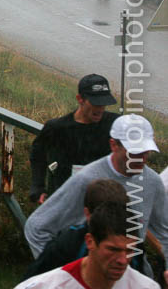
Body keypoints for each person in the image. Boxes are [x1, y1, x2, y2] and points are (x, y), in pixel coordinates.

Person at [24, 115, 168, 269]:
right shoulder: (86, 179)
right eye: (134, 152)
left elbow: (165, 233)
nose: (141, 158)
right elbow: (36, 228)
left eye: (145, 152)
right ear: (113, 145)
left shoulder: (152, 182)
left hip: (135, 276)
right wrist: (64, 275)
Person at [16, 202, 160, 289]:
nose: (122, 260)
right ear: (90, 241)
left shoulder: (146, 287)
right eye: (113, 249)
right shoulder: (46, 286)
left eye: (129, 251)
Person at [30, 74, 120, 204]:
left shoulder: (115, 124)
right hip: (63, 200)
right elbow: (37, 155)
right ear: (80, 99)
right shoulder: (56, 127)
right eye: (95, 103)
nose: (100, 109)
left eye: (104, 103)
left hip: (101, 203)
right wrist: (38, 187)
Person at [23, 180, 130, 280]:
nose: (122, 259)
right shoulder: (68, 244)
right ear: (87, 214)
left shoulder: (132, 243)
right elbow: (32, 281)